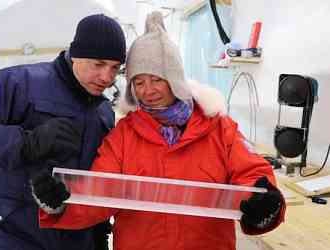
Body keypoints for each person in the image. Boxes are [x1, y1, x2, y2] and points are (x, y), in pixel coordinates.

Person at [31, 11, 286, 250]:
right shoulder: (123, 137)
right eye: (138, 82)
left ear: (174, 80)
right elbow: (99, 194)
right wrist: (61, 203)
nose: (147, 91)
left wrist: (261, 201)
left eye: (156, 80)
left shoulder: (219, 128)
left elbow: (252, 171)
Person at [0, 14, 126, 250]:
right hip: (16, 235)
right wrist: (25, 143)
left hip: (78, 239)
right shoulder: (19, 83)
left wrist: (99, 236)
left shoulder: (103, 113)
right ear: (75, 55)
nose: (107, 77)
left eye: (114, 68)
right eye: (98, 64)